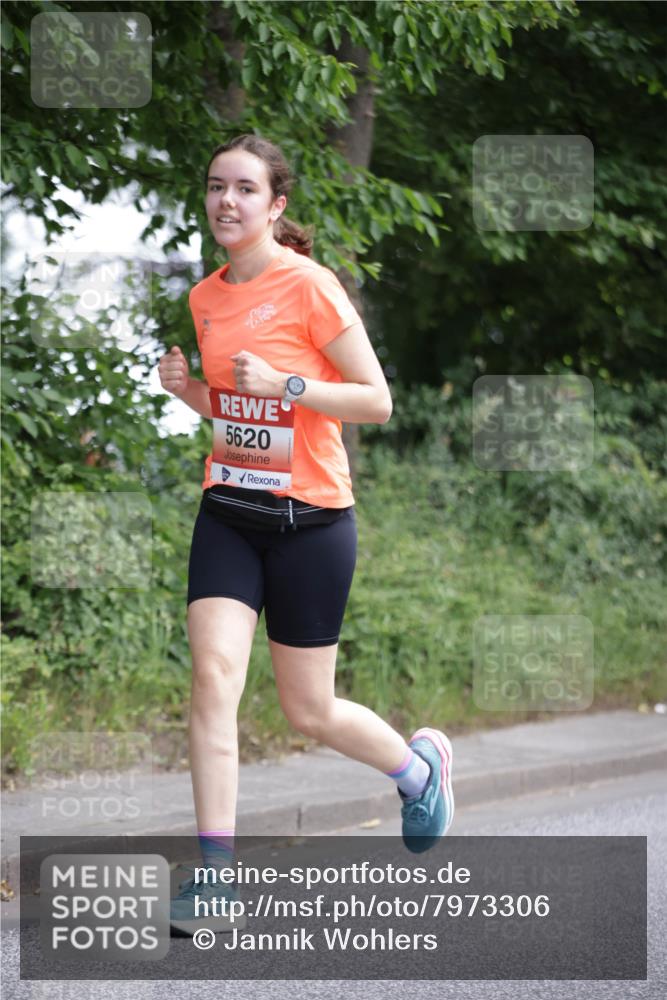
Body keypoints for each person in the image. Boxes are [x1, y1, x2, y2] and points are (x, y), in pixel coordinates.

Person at [158, 134, 454, 936]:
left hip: (311, 521)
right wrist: (191, 393)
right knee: (214, 680)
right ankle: (215, 879)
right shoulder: (206, 297)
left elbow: (375, 401)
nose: (226, 201)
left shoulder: (310, 286)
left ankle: (417, 769)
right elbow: (240, 420)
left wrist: (290, 381)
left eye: (245, 189)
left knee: (308, 711)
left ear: (275, 204)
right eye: (216, 186)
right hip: (229, 510)